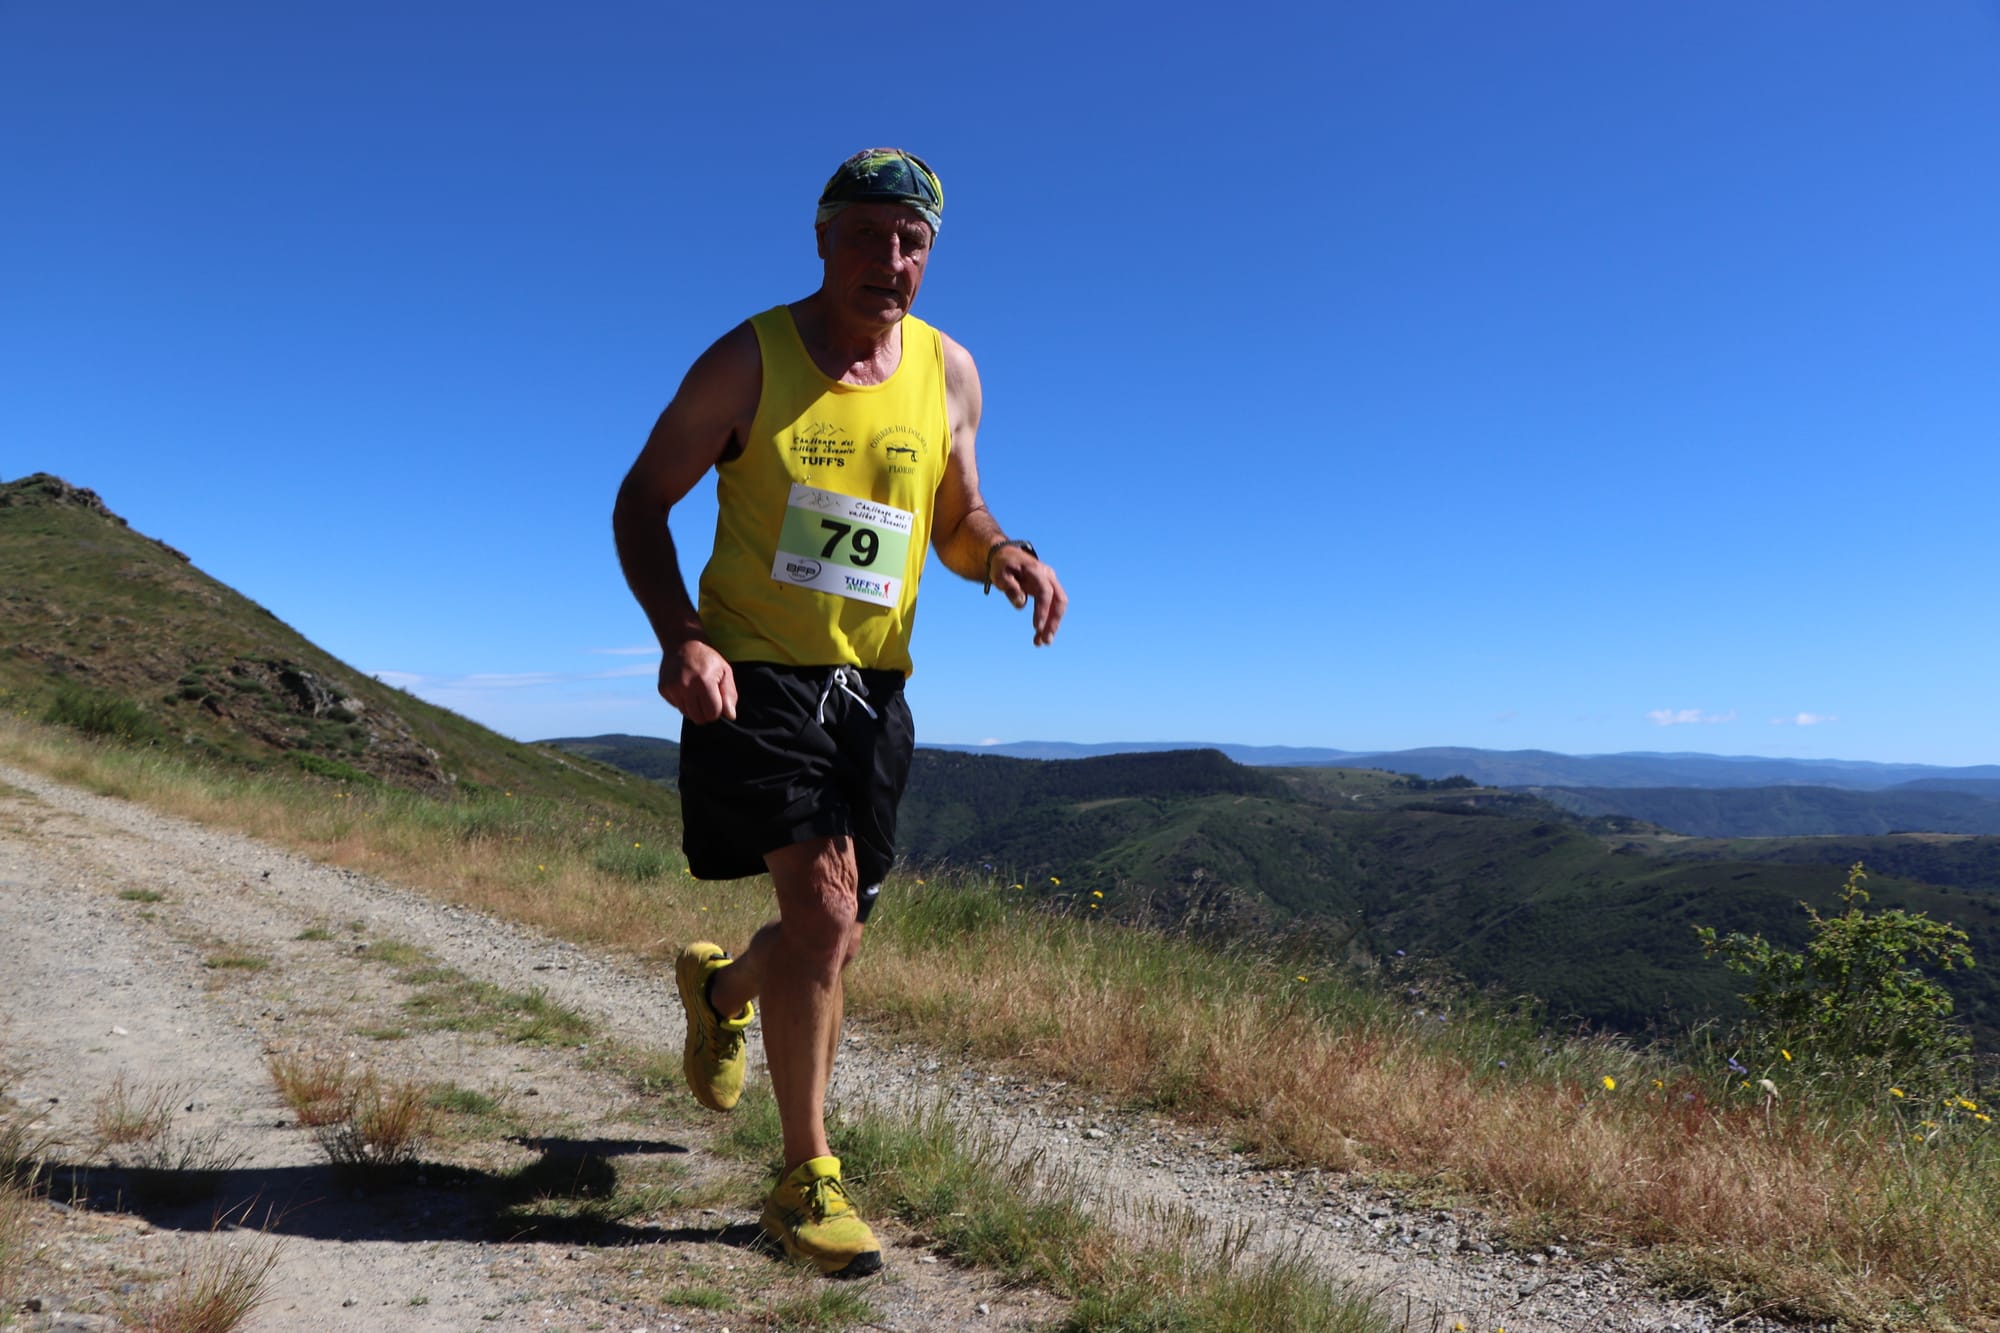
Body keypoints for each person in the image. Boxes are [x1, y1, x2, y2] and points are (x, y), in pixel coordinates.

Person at [612, 148, 1066, 1278]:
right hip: (755, 672)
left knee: (835, 932)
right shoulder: (748, 357)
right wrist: (683, 635)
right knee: (818, 918)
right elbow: (640, 499)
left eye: (911, 241)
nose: (890, 258)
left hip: (874, 686)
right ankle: (803, 1175)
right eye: (866, 233)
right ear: (821, 239)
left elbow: (954, 513)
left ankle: (719, 992)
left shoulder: (948, 370)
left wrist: (1000, 550)